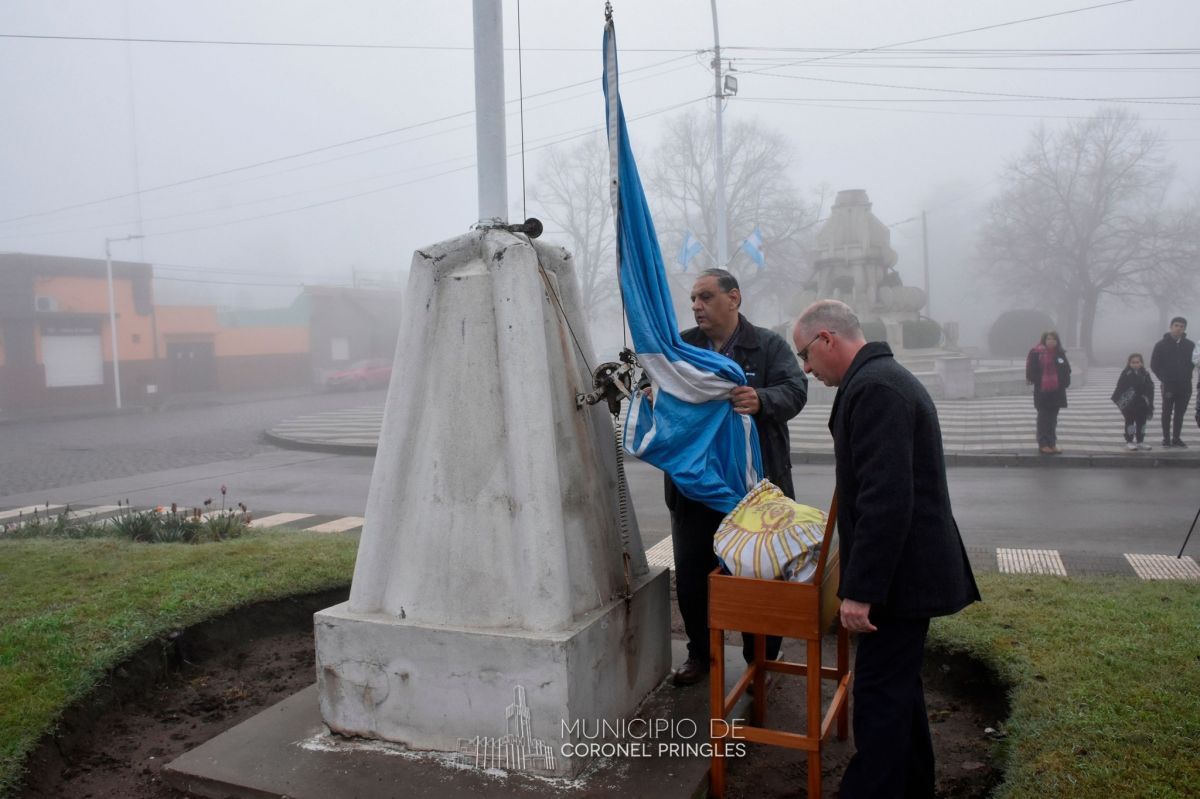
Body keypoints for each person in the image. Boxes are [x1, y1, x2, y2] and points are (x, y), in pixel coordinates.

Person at [792, 299, 980, 799]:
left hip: (900, 580)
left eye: (805, 356)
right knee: (899, 694)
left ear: (827, 338)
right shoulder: (880, 379)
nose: (806, 369)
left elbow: (886, 500)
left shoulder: (875, 388)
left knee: (877, 698)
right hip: (907, 573)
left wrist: (860, 592)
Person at [664, 268, 808, 687]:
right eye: (693, 298)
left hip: (756, 490)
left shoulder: (767, 345)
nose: (696, 306)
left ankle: (761, 657)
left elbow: (795, 389)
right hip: (693, 490)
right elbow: (649, 383)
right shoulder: (680, 347)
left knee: (759, 576)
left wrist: (761, 398)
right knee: (693, 577)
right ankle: (699, 653)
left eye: (706, 297)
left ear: (734, 298)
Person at [1150, 317, 1196, 448]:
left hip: (1185, 385)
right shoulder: (1161, 345)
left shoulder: (1190, 345)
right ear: (1170, 326)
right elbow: (1154, 364)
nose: (1179, 328)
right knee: (1166, 412)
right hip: (1168, 384)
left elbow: (1194, 362)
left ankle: (1176, 438)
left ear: (1185, 329)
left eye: (1182, 326)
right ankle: (1166, 438)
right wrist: (1164, 378)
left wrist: (1186, 374)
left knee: (1180, 413)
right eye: (1176, 325)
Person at [1025, 331, 1072, 455]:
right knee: (1043, 418)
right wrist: (1043, 381)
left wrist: (1062, 382)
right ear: (1044, 340)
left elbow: (1067, 370)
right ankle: (1043, 443)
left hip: (1057, 392)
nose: (1051, 341)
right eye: (1049, 339)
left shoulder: (1060, 354)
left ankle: (1052, 443)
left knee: (1053, 419)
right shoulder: (1036, 353)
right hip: (1043, 391)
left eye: (1054, 339)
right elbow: (1031, 372)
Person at [1111, 353, 1155, 452]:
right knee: (1130, 423)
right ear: (1129, 363)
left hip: (1142, 403)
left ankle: (1140, 440)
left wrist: (1148, 400)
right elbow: (1120, 388)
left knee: (1142, 423)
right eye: (1133, 362)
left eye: (1138, 362)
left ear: (1142, 363)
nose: (1135, 364)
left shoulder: (1145, 374)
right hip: (1130, 404)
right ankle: (1129, 440)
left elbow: (1150, 387)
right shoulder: (1126, 373)